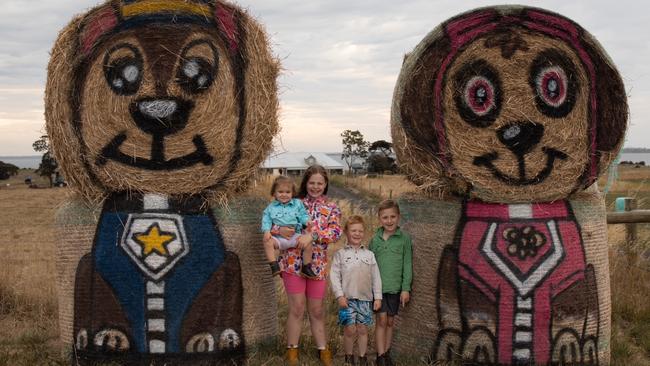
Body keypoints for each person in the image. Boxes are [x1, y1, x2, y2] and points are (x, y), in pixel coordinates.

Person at [278, 165, 342, 365]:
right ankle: (292, 352)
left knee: (316, 310)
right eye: (311, 182)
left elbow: (336, 233)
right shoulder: (293, 204)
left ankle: (323, 351)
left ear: (325, 185)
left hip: (317, 266)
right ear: (305, 183)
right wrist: (284, 230)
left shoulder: (332, 208)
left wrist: (313, 236)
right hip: (292, 263)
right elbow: (276, 224)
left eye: (320, 183)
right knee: (297, 308)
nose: (315, 187)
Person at [330, 215, 382, 366]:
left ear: (364, 233)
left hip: (365, 299)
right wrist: (339, 295)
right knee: (349, 329)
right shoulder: (341, 254)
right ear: (346, 232)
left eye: (360, 231)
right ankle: (348, 357)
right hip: (347, 300)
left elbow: (376, 277)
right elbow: (334, 276)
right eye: (353, 230)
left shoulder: (369, 255)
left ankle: (362, 357)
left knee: (362, 329)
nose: (357, 233)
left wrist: (377, 297)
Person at [370, 200, 413, 366]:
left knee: (390, 321)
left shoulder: (404, 239)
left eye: (392, 217)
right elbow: (370, 266)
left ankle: (387, 354)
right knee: (381, 320)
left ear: (399, 217)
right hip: (378, 290)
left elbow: (407, 264)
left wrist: (405, 288)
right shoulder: (375, 240)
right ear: (380, 219)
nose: (389, 221)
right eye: (385, 217)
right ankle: (380, 356)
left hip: (395, 288)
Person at [261, 175, 315, 277]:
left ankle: (306, 266)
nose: (284, 195)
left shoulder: (297, 204)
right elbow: (266, 219)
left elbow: (303, 214)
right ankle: (273, 265)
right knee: (267, 241)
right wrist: (267, 231)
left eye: (287, 192)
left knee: (308, 244)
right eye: (280, 192)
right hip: (278, 239)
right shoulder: (271, 207)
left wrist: (307, 221)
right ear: (274, 193)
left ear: (292, 193)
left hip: (294, 235)